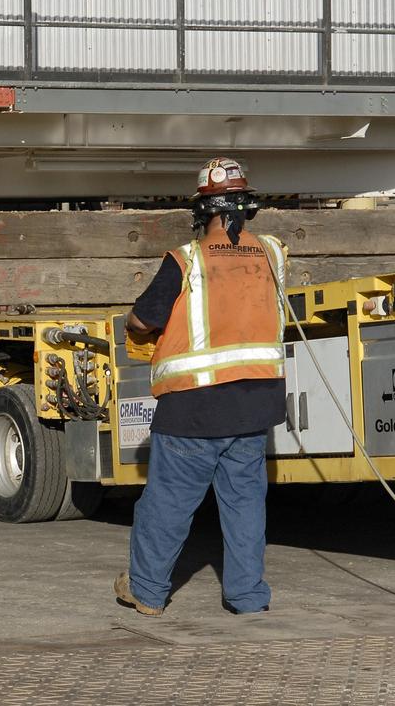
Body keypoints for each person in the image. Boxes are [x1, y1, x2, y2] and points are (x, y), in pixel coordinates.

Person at [114, 157, 288, 616]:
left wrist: (133, 325)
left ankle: (148, 592)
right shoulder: (272, 253)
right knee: (244, 506)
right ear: (247, 207)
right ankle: (248, 597)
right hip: (254, 407)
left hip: (193, 406)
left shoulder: (186, 259)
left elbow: (144, 318)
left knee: (168, 504)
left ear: (203, 211)